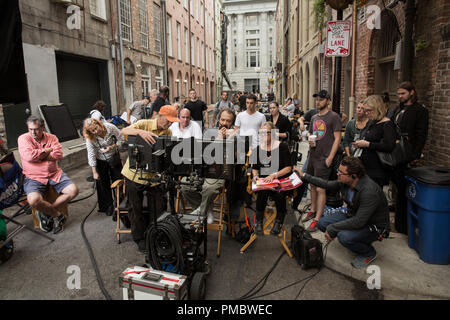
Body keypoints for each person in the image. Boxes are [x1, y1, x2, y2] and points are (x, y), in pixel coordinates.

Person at [296, 156, 389, 268]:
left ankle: (368, 252)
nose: (337, 174)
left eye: (341, 172)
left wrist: (333, 229)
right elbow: (326, 184)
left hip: (373, 225)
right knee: (322, 223)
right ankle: (356, 239)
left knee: (344, 237)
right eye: (338, 171)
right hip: (354, 214)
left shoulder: (369, 192)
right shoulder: (345, 181)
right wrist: (304, 176)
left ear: (353, 176)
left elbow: (359, 221)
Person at [120, 106, 178, 252]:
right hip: (134, 175)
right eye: (168, 121)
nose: (170, 124)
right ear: (160, 116)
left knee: (158, 208)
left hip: (154, 177)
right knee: (135, 208)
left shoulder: (168, 131)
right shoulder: (144, 123)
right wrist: (140, 132)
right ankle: (139, 239)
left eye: (172, 122)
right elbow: (123, 131)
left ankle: (155, 235)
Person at [18, 115, 79, 234]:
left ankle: (46, 211)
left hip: (54, 174)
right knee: (33, 200)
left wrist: (38, 156)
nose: (33, 132)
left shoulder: (52, 138)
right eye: (30, 129)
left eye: (36, 129)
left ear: (42, 128)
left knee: (74, 191)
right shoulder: (23, 139)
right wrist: (46, 151)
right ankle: (56, 215)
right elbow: (29, 156)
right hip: (33, 177)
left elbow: (58, 155)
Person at [390, 81, 429, 234]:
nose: (400, 96)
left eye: (403, 94)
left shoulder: (420, 111)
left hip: (407, 154)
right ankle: (397, 216)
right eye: (398, 94)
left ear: (412, 92)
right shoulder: (398, 109)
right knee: (397, 188)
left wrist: (416, 154)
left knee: (404, 190)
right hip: (394, 153)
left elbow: (421, 134)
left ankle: (402, 225)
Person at [302, 90, 342, 232]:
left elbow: (337, 138)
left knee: (321, 188)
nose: (318, 102)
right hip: (313, 156)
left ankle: (318, 219)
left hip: (324, 158)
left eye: (321, 99)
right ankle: (312, 210)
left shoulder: (334, 117)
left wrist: (330, 158)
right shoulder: (314, 117)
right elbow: (313, 135)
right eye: (317, 99)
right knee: (312, 185)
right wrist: (309, 140)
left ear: (328, 100)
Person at [252, 122, 293, 235]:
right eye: (261, 133)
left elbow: (288, 168)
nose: (263, 135)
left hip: (279, 179)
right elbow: (255, 168)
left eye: (266, 133)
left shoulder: (282, 147)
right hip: (265, 181)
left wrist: (274, 175)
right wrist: (255, 176)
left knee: (279, 193)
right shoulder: (257, 149)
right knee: (262, 192)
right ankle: (259, 222)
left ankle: (278, 221)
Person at [352, 95, 396, 187]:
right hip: (365, 166)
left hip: (377, 169)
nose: (367, 113)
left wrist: (368, 144)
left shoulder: (387, 124)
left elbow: (389, 146)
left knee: (372, 197)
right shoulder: (371, 122)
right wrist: (360, 144)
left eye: (369, 110)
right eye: (365, 110)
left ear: (378, 108)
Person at [83, 118, 124, 216]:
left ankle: (120, 204)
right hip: (100, 161)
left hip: (114, 158)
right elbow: (91, 154)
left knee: (118, 181)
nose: (96, 131)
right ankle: (108, 205)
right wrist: (94, 172)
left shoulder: (111, 127)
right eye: (92, 131)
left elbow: (121, 140)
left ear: (99, 124)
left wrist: (111, 147)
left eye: (96, 128)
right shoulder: (90, 137)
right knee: (103, 184)